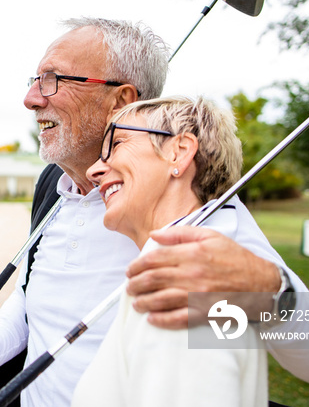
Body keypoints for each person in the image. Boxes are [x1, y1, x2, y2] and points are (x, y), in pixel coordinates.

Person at [0, 18, 309, 407]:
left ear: (121, 100)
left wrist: (267, 291)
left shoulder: (204, 223)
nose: (30, 98)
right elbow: (35, 293)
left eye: (52, 80)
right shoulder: (51, 184)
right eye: (33, 79)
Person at [74, 96, 269, 406]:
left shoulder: (185, 289)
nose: (94, 170)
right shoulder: (184, 270)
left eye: (117, 143)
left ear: (178, 152)